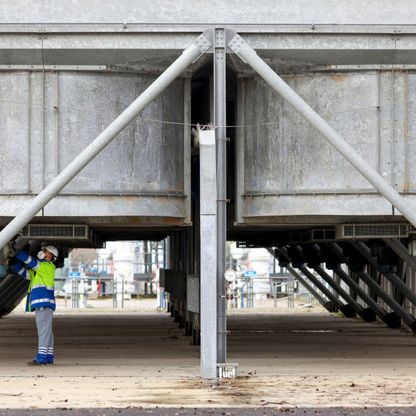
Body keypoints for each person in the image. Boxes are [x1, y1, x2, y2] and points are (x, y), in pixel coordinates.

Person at [9, 245, 58, 366]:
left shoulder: (46, 267)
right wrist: (14, 265)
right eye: (44, 251)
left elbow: (32, 262)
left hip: (43, 303)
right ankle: (48, 357)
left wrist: (18, 253)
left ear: (51, 257)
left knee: (43, 331)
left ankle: (41, 358)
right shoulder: (40, 270)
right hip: (44, 303)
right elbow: (26, 274)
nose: (43, 253)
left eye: (47, 252)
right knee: (47, 331)